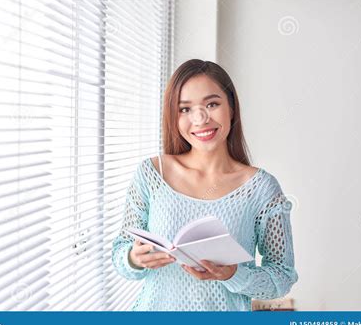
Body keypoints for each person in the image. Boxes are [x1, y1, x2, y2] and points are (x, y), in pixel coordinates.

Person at [111, 59, 298, 311]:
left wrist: (234, 274)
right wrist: (134, 259)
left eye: (212, 104)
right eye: (185, 109)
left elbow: (282, 278)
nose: (200, 118)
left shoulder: (261, 188)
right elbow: (121, 255)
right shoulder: (151, 174)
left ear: (231, 107)